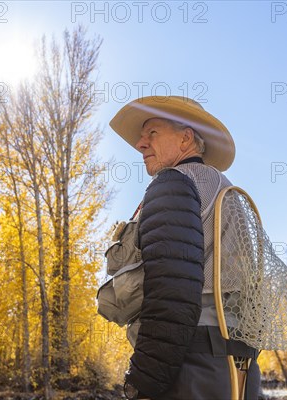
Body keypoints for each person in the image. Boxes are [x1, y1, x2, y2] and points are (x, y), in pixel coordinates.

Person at [107, 96, 262, 399]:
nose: (140, 143)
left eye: (152, 133)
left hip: (189, 364)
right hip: (235, 365)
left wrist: (145, 380)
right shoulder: (221, 186)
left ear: (185, 138)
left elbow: (171, 290)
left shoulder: (174, 183)